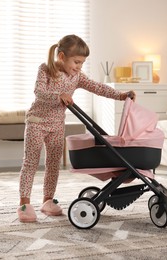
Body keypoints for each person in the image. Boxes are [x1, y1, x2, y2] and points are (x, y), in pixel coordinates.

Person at [17, 34, 136, 222]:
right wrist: (59, 95)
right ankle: (24, 203)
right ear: (62, 57)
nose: (79, 67)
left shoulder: (77, 77)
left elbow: (98, 87)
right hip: (37, 122)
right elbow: (39, 92)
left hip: (57, 125)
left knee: (53, 164)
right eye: (76, 62)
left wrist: (121, 95)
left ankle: (48, 200)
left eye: (82, 63)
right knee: (30, 162)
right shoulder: (45, 70)